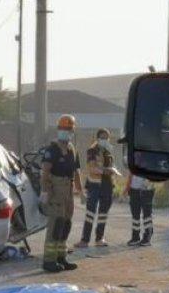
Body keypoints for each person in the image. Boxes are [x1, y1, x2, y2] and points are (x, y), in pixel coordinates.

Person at [39, 114, 84, 273]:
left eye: (69, 129)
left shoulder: (72, 149)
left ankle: (61, 257)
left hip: (68, 188)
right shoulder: (52, 150)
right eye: (64, 129)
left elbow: (76, 172)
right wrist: (45, 192)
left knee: (65, 224)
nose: (66, 132)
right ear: (58, 130)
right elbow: (45, 172)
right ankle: (49, 260)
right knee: (55, 224)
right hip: (55, 188)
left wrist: (81, 191)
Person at [76, 129, 117, 248]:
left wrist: (113, 171)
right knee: (90, 213)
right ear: (98, 138)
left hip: (107, 185)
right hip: (94, 185)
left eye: (107, 138)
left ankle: (100, 238)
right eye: (103, 138)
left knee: (103, 213)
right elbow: (92, 168)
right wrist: (105, 171)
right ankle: (84, 240)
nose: (105, 140)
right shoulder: (92, 150)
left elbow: (112, 166)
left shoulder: (109, 151)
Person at [124, 171, 155, 246]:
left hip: (147, 189)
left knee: (147, 215)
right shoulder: (134, 160)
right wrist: (127, 187)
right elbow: (131, 173)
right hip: (134, 189)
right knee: (135, 215)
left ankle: (147, 238)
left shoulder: (151, 159)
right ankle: (135, 237)